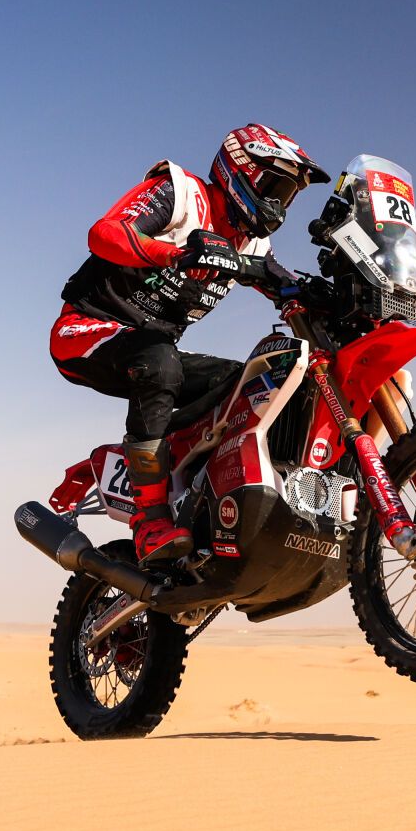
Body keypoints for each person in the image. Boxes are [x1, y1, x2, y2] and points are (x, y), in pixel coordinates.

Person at [50, 124, 328, 563]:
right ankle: (150, 518)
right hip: (86, 331)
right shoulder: (182, 194)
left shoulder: (253, 242)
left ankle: (193, 500)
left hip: (155, 350)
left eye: (288, 194)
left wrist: (324, 298)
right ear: (242, 172)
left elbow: (282, 284)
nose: (279, 203)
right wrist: (174, 254)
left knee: (249, 385)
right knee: (160, 364)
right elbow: (103, 233)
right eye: (274, 186)